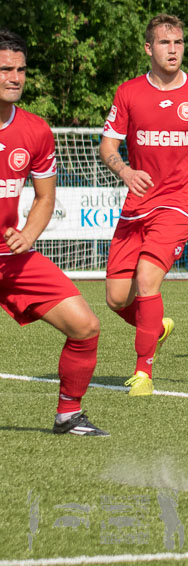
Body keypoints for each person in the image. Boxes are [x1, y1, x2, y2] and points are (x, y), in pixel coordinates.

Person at [100, 15, 188, 396]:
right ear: (149, 48)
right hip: (136, 204)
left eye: (179, 42)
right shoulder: (128, 92)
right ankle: (156, 326)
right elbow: (107, 147)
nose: (173, 49)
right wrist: (125, 171)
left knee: (147, 280)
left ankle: (143, 373)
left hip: (178, 204)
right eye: (165, 43)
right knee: (116, 298)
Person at [0, 31, 107, 436]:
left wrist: (28, 234)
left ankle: (69, 415)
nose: (16, 77)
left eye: (21, 69)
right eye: (5, 69)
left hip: (13, 259)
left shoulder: (35, 131)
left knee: (85, 326)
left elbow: (45, 198)